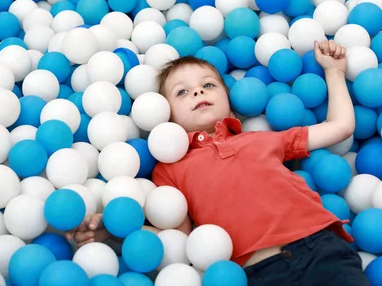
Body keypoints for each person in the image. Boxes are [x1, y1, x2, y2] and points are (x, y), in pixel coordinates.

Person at [66, 40, 371, 285]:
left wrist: (334, 73)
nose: (198, 91)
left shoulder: (261, 139)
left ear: (228, 99)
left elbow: (340, 127)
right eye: (182, 92)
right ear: (164, 114)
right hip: (255, 273)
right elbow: (179, 238)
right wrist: (112, 230)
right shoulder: (170, 169)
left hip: (322, 250)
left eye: (209, 85)